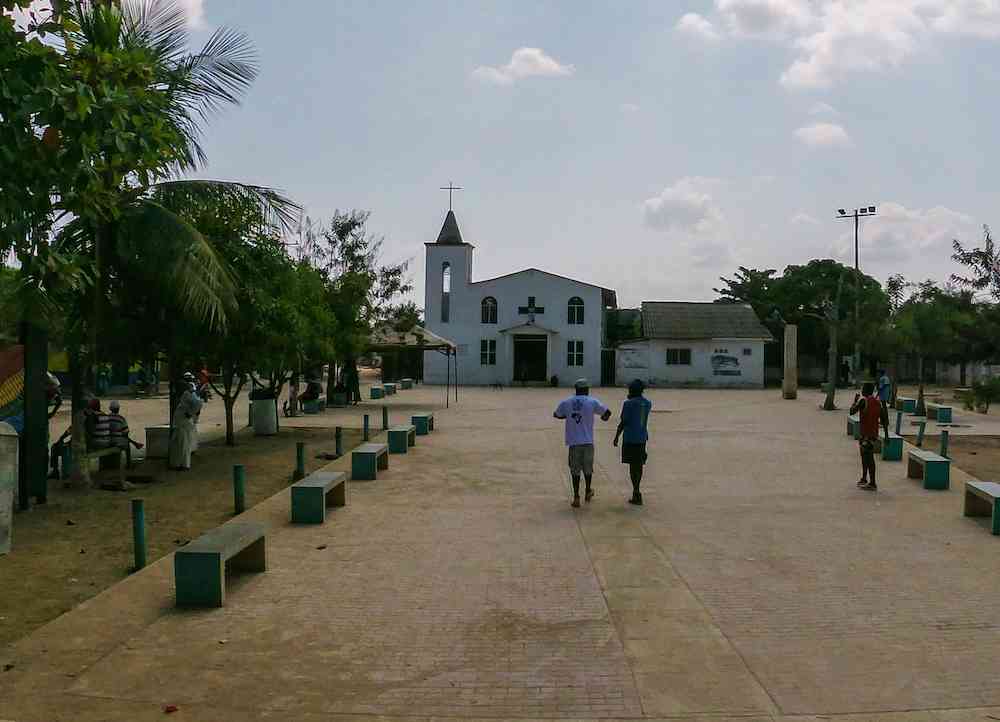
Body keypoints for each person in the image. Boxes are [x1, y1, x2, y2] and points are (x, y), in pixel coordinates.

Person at [553, 379, 612, 508]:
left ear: (576, 389)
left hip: (574, 442)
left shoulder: (567, 402)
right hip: (588, 441)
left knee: (575, 470)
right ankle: (588, 491)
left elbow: (556, 414)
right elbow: (607, 413)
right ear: (587, 389)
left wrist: (568, 416)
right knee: (588, 468)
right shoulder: (592, 401)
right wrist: (602, 418)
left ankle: (576, 497)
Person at [614, 379, 653, 506]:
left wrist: (616, 436)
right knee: (639, 465)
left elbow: (624, 422)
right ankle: (637, 490)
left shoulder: (628, 404)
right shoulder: (647, 403)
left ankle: (636, 491)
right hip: (642, 438)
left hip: (630, 438)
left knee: (632, 467)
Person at [849, 381, 889, 491]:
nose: (861, 391)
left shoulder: (863, 401)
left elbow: (852, 411)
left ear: (866, 390)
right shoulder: (877, 403)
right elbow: (884, 420)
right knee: (865, 456)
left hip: (866, 434)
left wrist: (855, 400)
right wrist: (886, 436)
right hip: (873, 435)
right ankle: (864, 478)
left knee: (868, 458)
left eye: (863, 389)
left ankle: (872, 483)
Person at [168, 382, 203, 471]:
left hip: (184, 423)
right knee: (179, 444)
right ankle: (179, 464)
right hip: (180, 423)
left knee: (183, 444)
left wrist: (190, 413)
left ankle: (184, 465)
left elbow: (198, 404)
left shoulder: (187, 395)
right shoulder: (185, 396)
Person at [108, 400, 144, 468]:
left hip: (108, 440)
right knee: (127, 444)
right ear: (118, 409)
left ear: (110, 409)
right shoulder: (121, 418)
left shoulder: (107, 417)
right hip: (117, 441)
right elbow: (126, 432)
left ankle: (135, 444)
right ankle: (128, 464)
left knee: (124, 438)